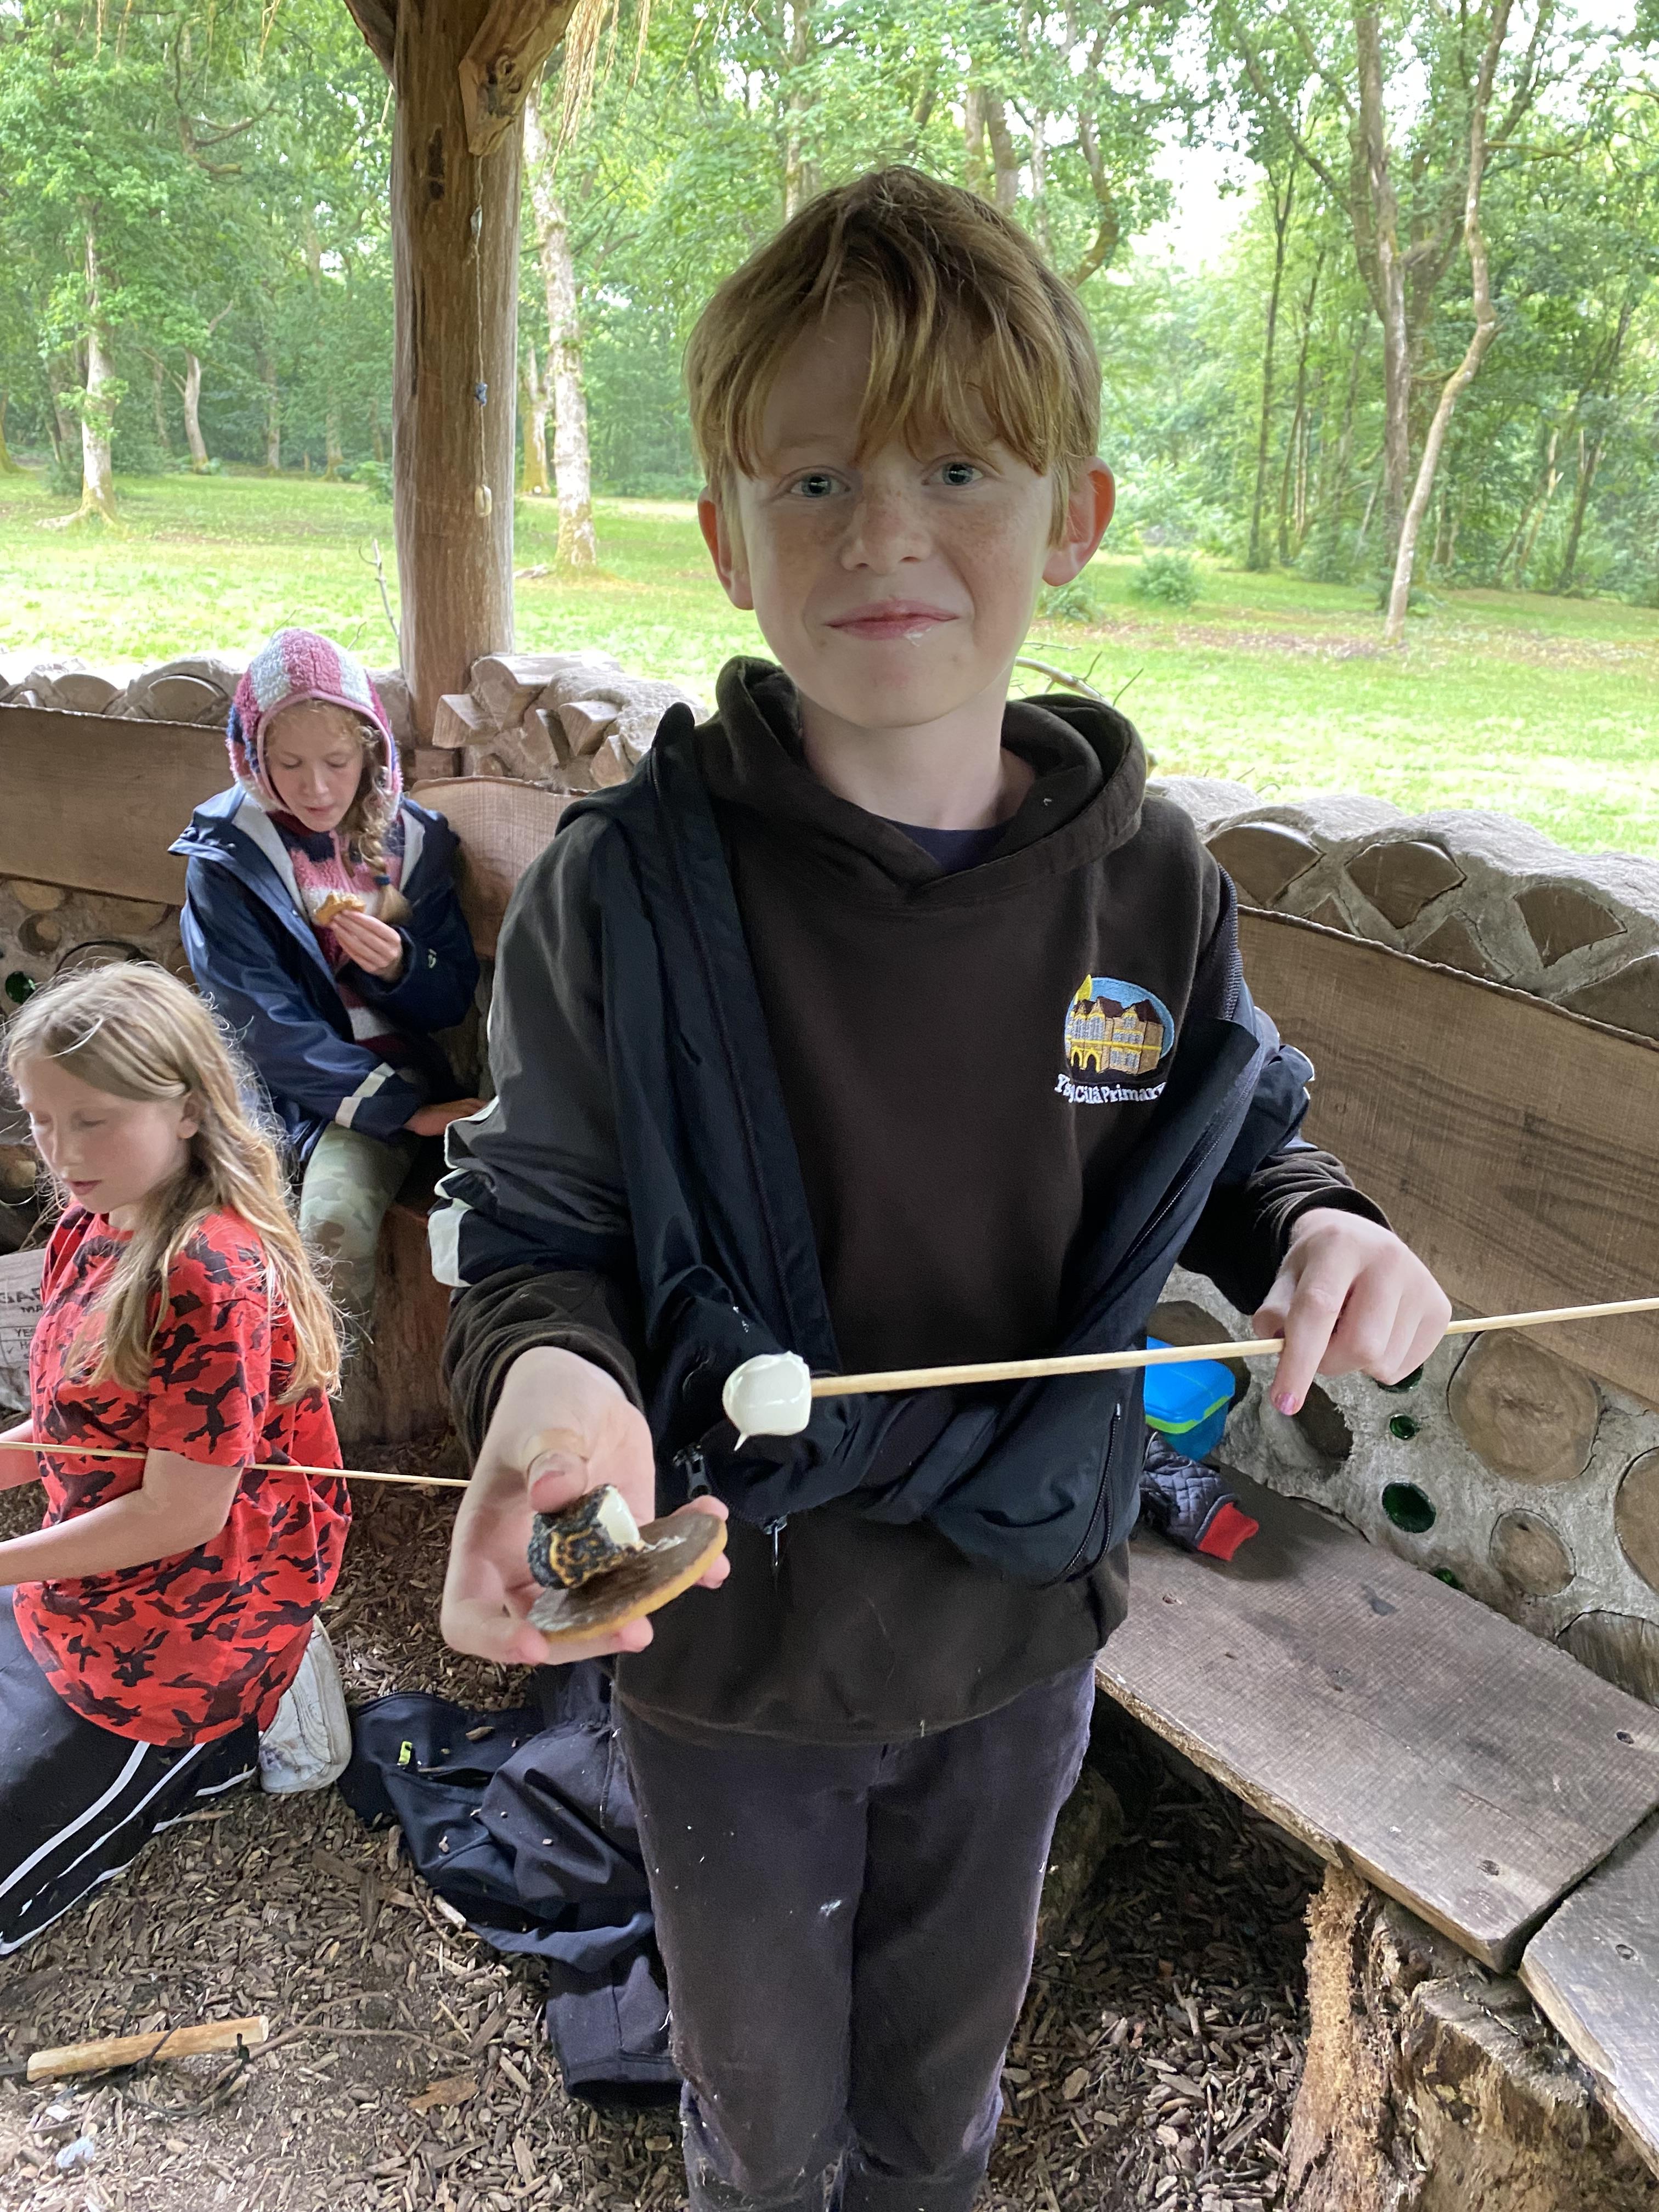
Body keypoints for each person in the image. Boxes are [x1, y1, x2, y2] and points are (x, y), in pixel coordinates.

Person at [431, 168, 1452, 2212]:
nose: (883, 532)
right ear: (728, 539)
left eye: (958, 468)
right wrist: (551, 1388)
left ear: (1070, 515)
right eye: (813, 481)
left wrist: (1319, 1224)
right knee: (759, 2122)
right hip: (726, 1655)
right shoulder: (620, 899)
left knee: (937, 2108)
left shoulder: (1150, 882)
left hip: (1023, 1631)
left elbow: (1226, 1139)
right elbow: (538, 1240)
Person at [0, 963, 349, 1954]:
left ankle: (243, 1716)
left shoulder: (207, 1272)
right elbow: (68, 1429)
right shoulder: (92, 1221)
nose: (62, 1152)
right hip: (88, 1579)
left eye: (94, 1120)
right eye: (42, 1121)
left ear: (189, 1109)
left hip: (189, 1619)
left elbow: (181, 1512)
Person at [172, 628, 482, 1348]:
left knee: (330, 1228)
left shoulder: (413, 843)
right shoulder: (229, 858)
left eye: (337, 763)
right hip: (262, 1088)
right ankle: (219, 1387)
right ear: (254, 758)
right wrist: (402, 1114)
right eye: (290, 764)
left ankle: (322, 1398)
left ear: (371, 753)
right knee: (205, 1223)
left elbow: (450, 998)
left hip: (383, 1085)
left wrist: (402, 966)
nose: (316, 787)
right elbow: (259, 1022)